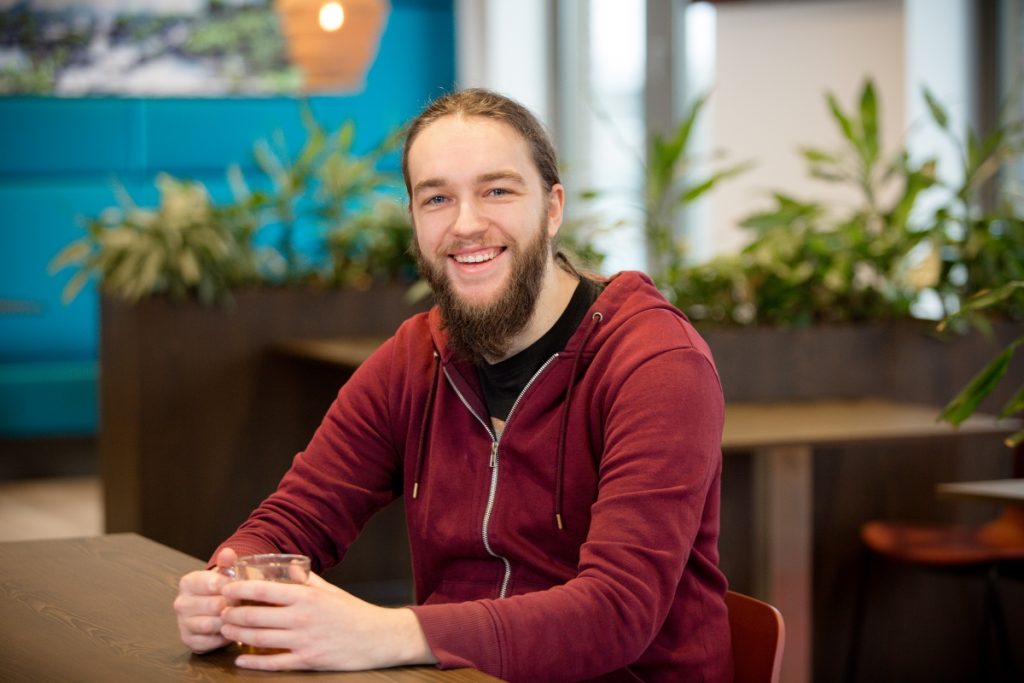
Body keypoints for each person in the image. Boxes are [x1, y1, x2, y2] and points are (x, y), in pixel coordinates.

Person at [174, 88, 731, 682]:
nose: (467, 224)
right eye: (437, 197)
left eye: (497, 190)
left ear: (551, 207)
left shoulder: (656, 365)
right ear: (414, 221)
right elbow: (296, 517)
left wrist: (385, 632)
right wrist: (227, 585)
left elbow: (618, 612)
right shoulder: (415, 358)